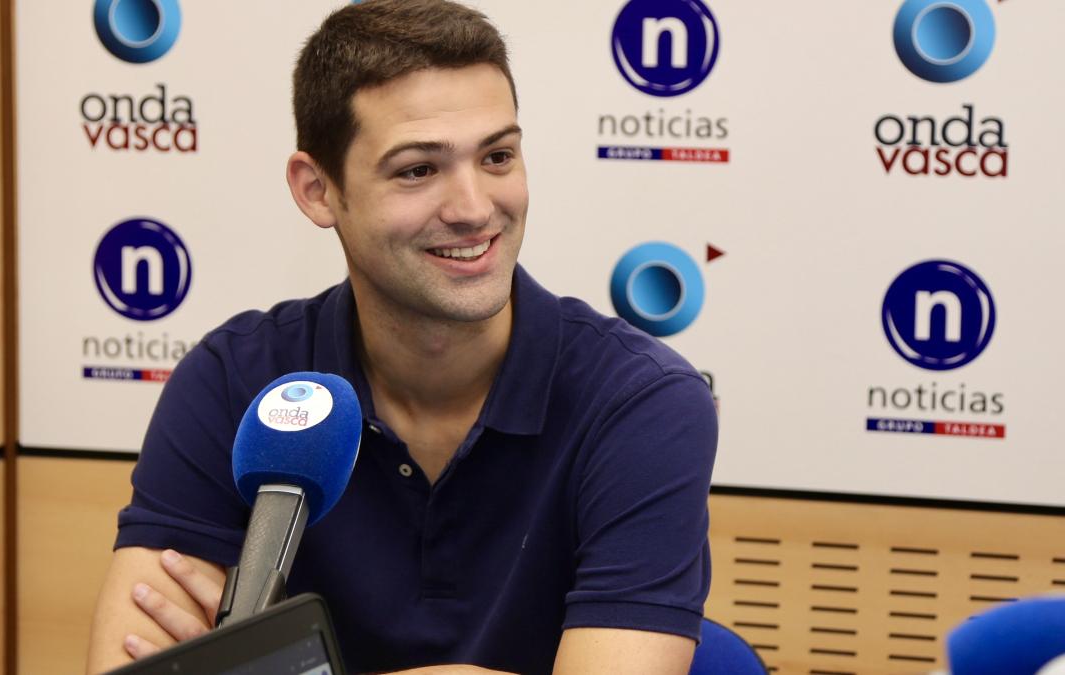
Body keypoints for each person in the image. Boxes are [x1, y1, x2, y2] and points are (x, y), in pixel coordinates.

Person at [86, 1, 718, 673]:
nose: (475, 208)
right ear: (318, 189)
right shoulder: (233, 379)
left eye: (498, 156)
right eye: (418, 169)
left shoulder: (642, 402)